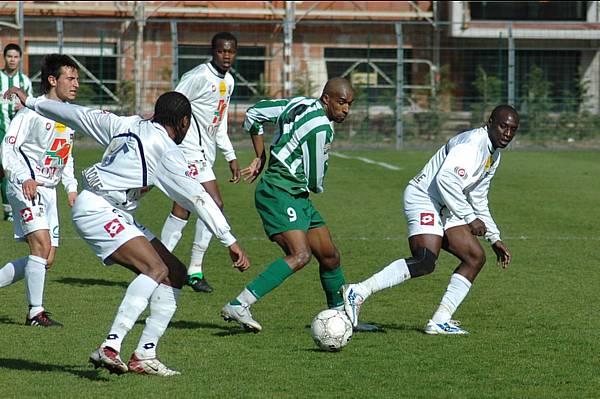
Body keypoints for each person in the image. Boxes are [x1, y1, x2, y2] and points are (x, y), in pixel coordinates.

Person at [5, 87, 251, 376]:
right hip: (97, 209)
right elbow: (198, 197)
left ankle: (145, 354)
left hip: (111, 210)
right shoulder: (167, 151)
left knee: (175, 272)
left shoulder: (126, 123)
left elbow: (76, 114)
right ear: (184, 122)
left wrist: (32, 101)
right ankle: (111, 346)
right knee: (154, 268)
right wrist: (230, 241)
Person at [342, 105, 519, 335]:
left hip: (446, 205)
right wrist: (469, 218)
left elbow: (478, 196)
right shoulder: (472, 145)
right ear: (490, 122)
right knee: (425, 260)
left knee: (475, 257)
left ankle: (440, 320)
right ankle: (359, 291)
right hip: (424, 197)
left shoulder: (493, 154)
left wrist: (494, 238)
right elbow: (446, 179)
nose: (507, 133)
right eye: (503, 126)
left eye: (512, 129)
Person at [220, 77, 354, 332]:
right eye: (341, 102)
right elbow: (315, 181)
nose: (346, 109)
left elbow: (254, 114)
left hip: (295, 194)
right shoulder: (321, 129)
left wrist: (261, 155)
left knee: (329, 255)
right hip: (279, 191)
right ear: (326, 99)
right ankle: (240, 303)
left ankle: (340, 317)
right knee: (300, 254)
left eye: (349, 104)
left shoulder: (300, 103)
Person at [0, 54, 79, 327]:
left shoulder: (68, 115)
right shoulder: (30, 112)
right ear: (52, 80)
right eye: (71, 78)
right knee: (41, 245)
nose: (76, 84)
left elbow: (65, 155)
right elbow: (9, 147)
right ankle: (36, 312)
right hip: (25, 186)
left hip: (49, 190)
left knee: (46, 258)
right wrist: (25, 178)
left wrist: (71, 187)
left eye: (77, 78)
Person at [160, 32, 240, 293]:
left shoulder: (229, 82)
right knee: (214, 204)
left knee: (182, 209)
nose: (226, 56)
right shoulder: (197, 77)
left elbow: (220, 122)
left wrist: (230, 155)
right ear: (212, 51)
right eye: (221, 51)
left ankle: (158, 264)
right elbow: (171, 106)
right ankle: (193, 269)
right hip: (186, 150)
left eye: (231, 51)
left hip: (206, 154)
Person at [1, 43, 33, 222]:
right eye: (9, 56)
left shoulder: (24, 81)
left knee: (13, 169)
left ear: (20, 58)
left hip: (17, 133)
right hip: (0, 128)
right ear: (4, 58)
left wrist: (24, 105)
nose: (12, 60)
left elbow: (31, 104)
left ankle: (11, 209)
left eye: (15, 57)